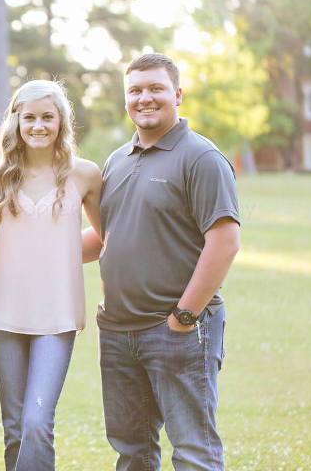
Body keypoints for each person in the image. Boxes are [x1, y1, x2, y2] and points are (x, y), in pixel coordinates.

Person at [84, 53, 240, 470]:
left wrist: (183, 318)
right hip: (117, 332)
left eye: (155, 88)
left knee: (192, 451)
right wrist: (28, 252)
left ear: (177, 94)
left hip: (176, 329)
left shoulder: (201, 158)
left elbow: (224, 242)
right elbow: (106, 237)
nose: (144, 98)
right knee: (132, 452)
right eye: (135, 90)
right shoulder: (117, 160)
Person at [0, 79, 102, 471]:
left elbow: (105, 239)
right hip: (3, 314)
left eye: (47, 117)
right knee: (15, 428)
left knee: (36, 422)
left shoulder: (84, 174)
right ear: (15, 121)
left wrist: (61, 258)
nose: (38, 125)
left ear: (61, 121)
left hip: (57, 316)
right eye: (29, 117)